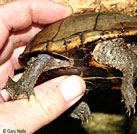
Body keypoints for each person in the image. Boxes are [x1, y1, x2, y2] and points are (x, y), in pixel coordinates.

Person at [0, 0, 86, 133]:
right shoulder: (47, 56)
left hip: (81, 72)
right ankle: (23, 86)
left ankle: (72, 104)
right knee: (43, 59)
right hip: (52, 61)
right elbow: (41, 59)